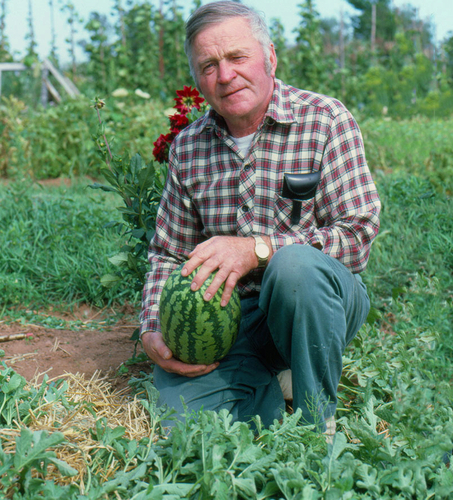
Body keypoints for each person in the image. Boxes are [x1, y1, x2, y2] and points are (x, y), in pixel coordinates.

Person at [139, 0, 381, 434]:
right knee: (188, 426)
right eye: (208, 65)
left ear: (270, 56)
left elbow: (358, 236)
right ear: (196, 78)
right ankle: (270, 380)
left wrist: (258, 250)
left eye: (236, 56)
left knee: (294, 268)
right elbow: (167, 254)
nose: (225, 75)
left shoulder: (324, 120)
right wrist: (154, 326)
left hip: (314, 298)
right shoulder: (189, 148)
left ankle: (315, 424)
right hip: (232, 318)